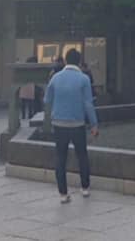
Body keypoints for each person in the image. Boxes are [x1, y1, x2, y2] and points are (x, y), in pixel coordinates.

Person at [45, 48, 98, 204]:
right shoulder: (84, 79)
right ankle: (85, 187)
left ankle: (63, 193)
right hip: (77, 123)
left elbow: (47, 100)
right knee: (82, 155)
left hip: (59, 123)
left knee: (60, 157)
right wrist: (94, 124)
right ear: (80, 61)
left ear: (66, 61)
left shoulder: (55, 78)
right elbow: (88, 104)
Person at [19, 56, 37, 122]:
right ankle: (28, 115)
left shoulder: (25, 67)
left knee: (27, 102)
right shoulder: (31, 67)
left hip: (27, 85)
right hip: (28, 85)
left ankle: (27, 115)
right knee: (28, 102)